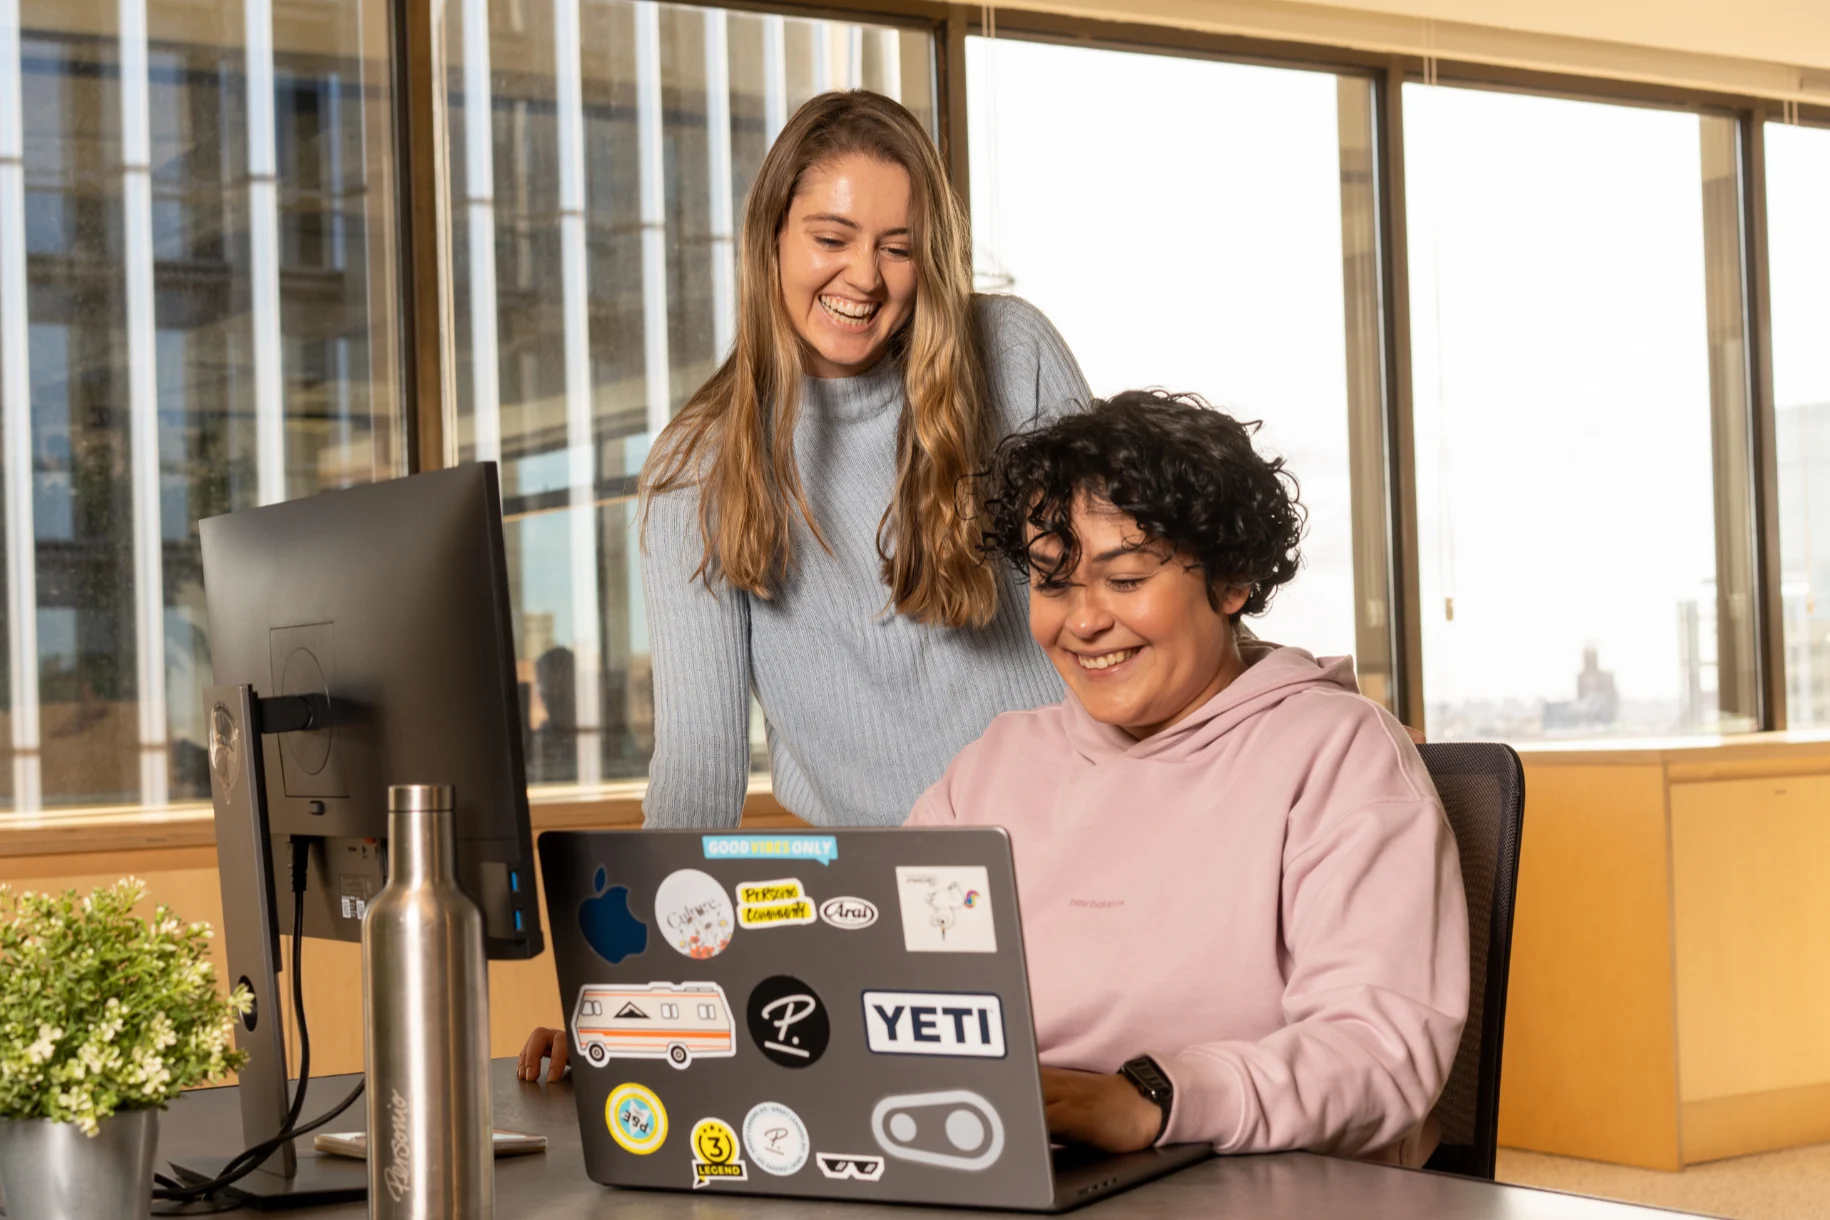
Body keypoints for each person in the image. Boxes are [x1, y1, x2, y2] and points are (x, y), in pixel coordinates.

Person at [518, 88, 1087, 1081]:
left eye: (897, 245)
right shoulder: (696, 464)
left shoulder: (1013, 355)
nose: (863, 277)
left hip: (1082, 879)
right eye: (832, 235)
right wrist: (640, 990)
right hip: (886, 931)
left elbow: (1119, 611)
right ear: (772, 239)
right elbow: (699, 770)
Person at [906, 391, 1469, 1165]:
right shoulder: (994, 766)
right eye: (1052, 582)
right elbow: (896, 981)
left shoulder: (1336, 755)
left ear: (1233, 581)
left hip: (1256, 1180)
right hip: (1013, 1159)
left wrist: (1152, 1099)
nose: (1083, 621)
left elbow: (1378, 1049)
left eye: (1126, 579)